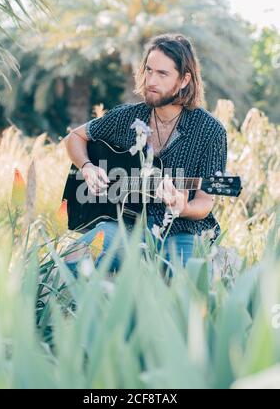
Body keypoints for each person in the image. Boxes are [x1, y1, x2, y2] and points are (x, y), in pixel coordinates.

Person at [63, 33, 227, 276]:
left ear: (184, 80)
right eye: (148, 70)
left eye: (162, 74)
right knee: (69, 264)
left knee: (186, 283)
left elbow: (204, 202)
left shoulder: (210, 131)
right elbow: (73, 138)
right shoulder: (126, 117)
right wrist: (87, 166)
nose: (151, 80)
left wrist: (182, 207)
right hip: (124, 225)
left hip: (182, 230)